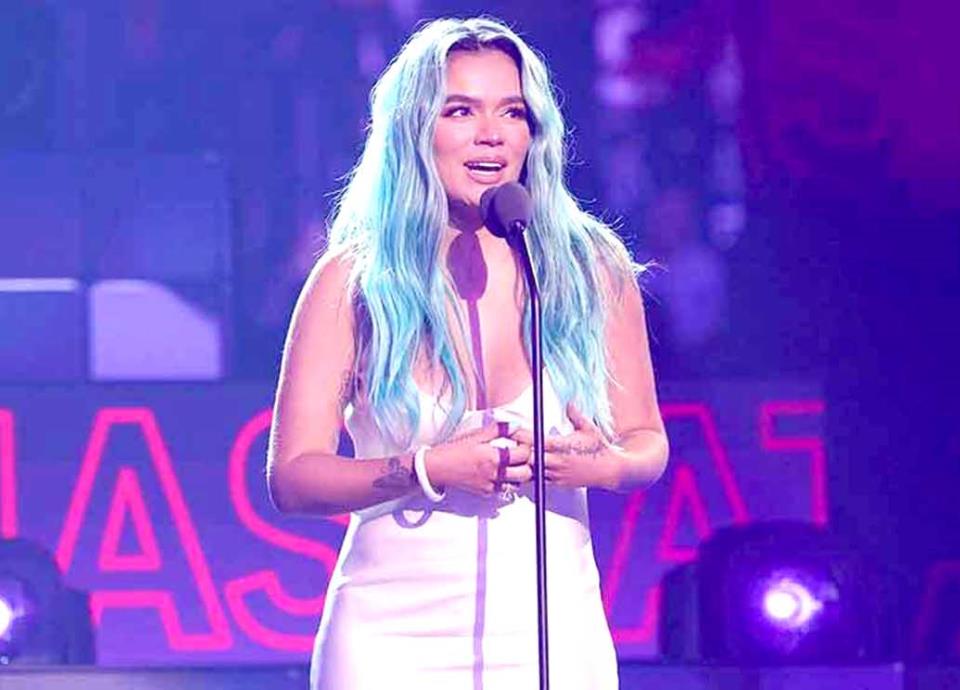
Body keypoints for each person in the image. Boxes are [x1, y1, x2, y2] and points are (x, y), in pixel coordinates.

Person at [267, 16, 669, 690]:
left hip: (549, 635)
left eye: (512, 112)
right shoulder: (354, 280)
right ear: (415, 130)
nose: (492, 134)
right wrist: (426, 468)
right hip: (389, 641)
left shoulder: (589, 269)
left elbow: (647, 442)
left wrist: (602, 465)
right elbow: (294, 477)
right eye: (461, 110)